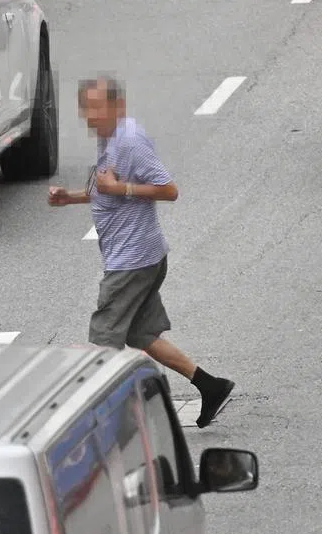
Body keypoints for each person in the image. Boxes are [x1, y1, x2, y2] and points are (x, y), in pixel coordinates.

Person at [48, 75, 236, 428]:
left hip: (131, 263)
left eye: (97, 107)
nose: (90, 116)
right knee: (140, 335)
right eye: (85, 109)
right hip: (142, 257)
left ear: (118, 106)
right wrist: (71, 197)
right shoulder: (111, 137)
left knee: (103, 342)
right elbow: (105, 189)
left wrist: (122, 187)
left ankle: (103, 420)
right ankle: (210, 386)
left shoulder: (130, 141)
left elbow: (169, 189)